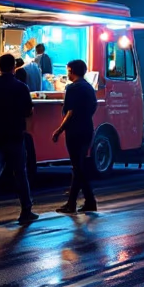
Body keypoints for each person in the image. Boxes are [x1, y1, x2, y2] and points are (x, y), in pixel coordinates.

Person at [0, 54, 39, 226]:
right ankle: (26, 210)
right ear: (13, 67)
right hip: (15, 135)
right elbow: (28, 111)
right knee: (20, 173)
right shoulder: (22, 87)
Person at [51, 59, 98, 213]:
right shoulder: (89, 88)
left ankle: (80, 202)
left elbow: (70, 112)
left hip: (75, 131)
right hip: (87, 129)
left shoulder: (73, 88)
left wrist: (59, 130)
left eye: (67, 70)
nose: (67, 73)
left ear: (71, 71)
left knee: (78, 167)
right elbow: (93, 108)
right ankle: (79, 202)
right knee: (79, 166)